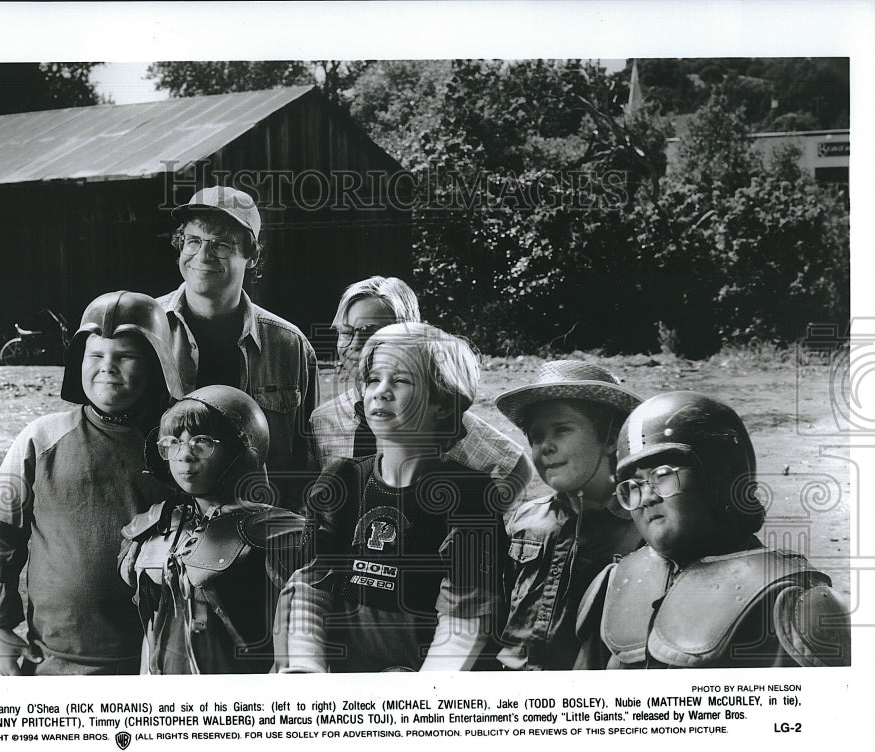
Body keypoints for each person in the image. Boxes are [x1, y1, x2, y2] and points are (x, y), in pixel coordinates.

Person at [275, 323, 509, 673]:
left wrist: (421, 698)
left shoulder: (471, 496)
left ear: (443, 403)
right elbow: (311, 592)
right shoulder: (341, 480)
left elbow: (463, 620)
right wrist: (309, 673)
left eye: (400, 381)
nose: (380, 392)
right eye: (373, 379)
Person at [0, 291, 183, 675]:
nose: (108, 367)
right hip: (57, 661)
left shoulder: (180, 447)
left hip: (161, 664)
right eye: (96, 355)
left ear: (158, 364)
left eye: (126, 356)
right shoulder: (40, 439)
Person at [575, 391, 851, 669]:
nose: (646, 497)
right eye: (633, 487)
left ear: (719, 477)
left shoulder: (790, 601)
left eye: (662, 476)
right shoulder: (615, 584)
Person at [119, 386, 308, 674]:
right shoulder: (155, 526)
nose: (185, 456)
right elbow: (154, 627)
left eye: (201, 443)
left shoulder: (276, 535)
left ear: (237, 451)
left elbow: (295, 645)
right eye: (172, 443)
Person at [158, 186, 318, 511]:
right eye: (193, 241)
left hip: (259, 531)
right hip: (163, 530)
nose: (203, 256)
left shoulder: (290, 346)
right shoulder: (147, 329)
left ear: (252, 255)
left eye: (221, 244)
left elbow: (305, 464)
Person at [310, 276, 532, 503]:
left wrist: (478, 516)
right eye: (346, 332)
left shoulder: (433, 416)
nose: (355, 344)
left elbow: (515, 465)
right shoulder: (323, 421)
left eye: (370, 332)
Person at [493, 359, 644, 670]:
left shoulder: (641, 530)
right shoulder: (524, 520)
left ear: (610, 440)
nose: (545, 446)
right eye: (535, 436)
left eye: (562, 430)